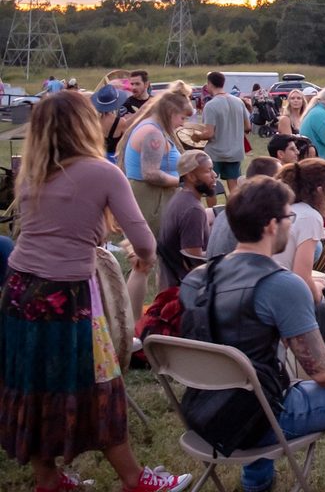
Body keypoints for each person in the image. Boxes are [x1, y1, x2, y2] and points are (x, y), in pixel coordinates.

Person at [0, 93, 191, 492]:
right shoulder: (102, 172)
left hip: (19, 291)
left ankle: (47, 478)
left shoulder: (33, 172)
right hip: (66, 296)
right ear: (85, 125)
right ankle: (135, 479)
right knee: (100, 383)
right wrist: (144, 261)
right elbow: (144, 241)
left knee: (33, 385)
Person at [180, 176, 325, 492]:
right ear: (272, 225)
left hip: (204, 413)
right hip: (264, 418)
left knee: (253, 379)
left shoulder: (197, 278)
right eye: (290, 217)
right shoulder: (279, 285)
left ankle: (257, 482)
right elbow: (323, 371)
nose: (291, 223)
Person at [118, 90, 191, 312]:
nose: (182, 123)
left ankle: (159, 310)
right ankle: (134, 319)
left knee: (158, 260)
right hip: (149, 200)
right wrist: (180, 181)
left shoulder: (157, 129)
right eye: (182, 117)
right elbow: (150, 173)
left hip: (156, 199)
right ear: (171, 112)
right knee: (143, 262)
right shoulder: (153, 133)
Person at [275, 158, 325, 304]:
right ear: (320, 190)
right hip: (280, 294)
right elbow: (301, 277)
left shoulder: (290, 208)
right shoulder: (310, 217)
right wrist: (320, 294)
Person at [156, 150, 216, 290]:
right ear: (191, 176)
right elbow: (193, 262)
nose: (214, 176)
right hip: (184, 289)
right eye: (208, 171)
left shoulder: (180, 198)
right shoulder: (193, 210)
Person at [206, 157, 281, 259]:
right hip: (233, 272)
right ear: (270, 183)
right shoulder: (252, 217)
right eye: (281, 178)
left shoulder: (232, 211)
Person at [195, 71, 250, 193]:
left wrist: (197, 136)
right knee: (234, 186)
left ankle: (211, 211)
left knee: (209, 185)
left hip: (215, 153)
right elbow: (248, 127)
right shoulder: (238, 102)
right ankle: (235, 210)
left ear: (209, 83)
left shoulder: (211, 105)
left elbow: (209, 133)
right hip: (235, 152)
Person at [94, 82, 130, 162]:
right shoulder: (120, 122)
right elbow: (126, 142)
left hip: (99, 157)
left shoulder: (95, 120)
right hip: (114, 159)